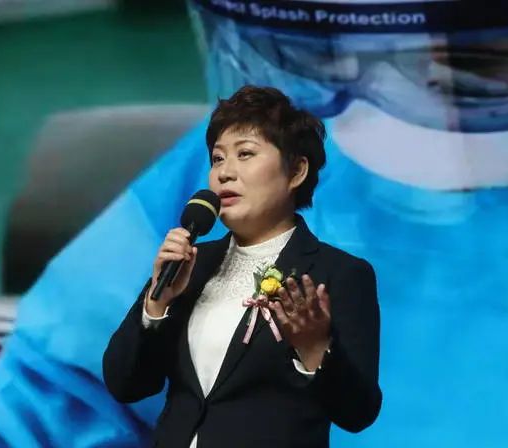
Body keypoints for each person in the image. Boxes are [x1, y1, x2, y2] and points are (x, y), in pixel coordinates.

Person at [102, 85, 382, 447]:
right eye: (218, 159)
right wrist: (157, 305)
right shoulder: (190, 263)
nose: (225, 173)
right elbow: (125, 384)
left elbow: (358, 413)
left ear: (296, 171)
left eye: (245, 154)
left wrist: (315, 351)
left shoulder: (339, 274)